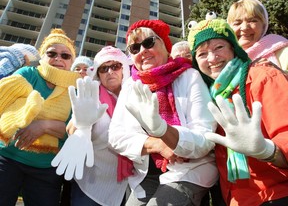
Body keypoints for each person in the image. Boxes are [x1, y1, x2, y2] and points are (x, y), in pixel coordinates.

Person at [108, 19, 218, 206]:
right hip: (146, 174)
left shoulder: (189, 76)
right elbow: (116, 136)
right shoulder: (130, 86)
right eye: (135, 48)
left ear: (166, 46)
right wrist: (158, 144)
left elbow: (205, 136)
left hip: (189, 168)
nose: (142, 51)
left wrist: (170, 136)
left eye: (149, 42)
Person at [188, 18, 288, 206]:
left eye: (218, 47)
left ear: (233, 48)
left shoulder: (263, 76)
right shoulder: (207, 96)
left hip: (276, 194)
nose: (212, 58)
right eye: (202, 54)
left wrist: (267, 151)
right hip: (234, 199)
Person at [0, 28, 81, 206]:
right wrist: (56, 126)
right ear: (43, 57)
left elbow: (74, 133)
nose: (58, 58)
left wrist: (43, 125)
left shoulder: (77, 90)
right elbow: (3, 101)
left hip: (46, 169)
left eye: (65, 55)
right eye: (52, 53)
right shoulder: (28, 74)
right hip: (6, 157)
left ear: (71, 61)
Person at [52, 46, 131, 206]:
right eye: (104, 68)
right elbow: (72, 127)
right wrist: (82, 126)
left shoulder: (132, 95)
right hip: (90, 182)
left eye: (115, 66)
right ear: (98, 74)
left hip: (123, 184)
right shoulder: (91, 94)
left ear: (124, 69)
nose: (110, 71)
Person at [227, 0, 288, 71]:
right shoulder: (224, 57)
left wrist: (279, 73)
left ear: (264, 25)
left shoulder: (283, 52)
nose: (244, 27)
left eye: (252, 21)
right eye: (237, 23)